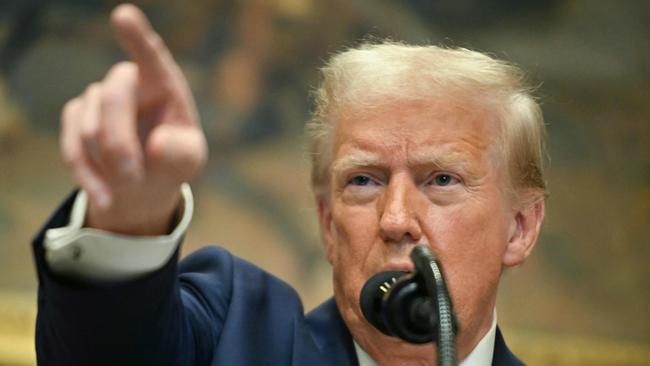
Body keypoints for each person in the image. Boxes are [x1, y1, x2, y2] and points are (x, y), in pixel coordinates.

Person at [32, 3, 546, 366]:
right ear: (327, 223)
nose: (394, 220)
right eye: (363, 181)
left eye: (441, 180)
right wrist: (130, 220)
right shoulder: (234, 334)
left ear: (520, 228)